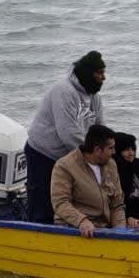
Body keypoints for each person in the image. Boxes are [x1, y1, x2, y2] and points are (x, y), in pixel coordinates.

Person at [25, 51, 106, 224]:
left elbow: (100, 130)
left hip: (70, 154)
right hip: (43, 152)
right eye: (99, 73)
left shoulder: (94, 97)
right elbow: (68, 135)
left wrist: (107, 152)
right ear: (87, 73)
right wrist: (92, 159)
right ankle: (37, 233)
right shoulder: (64, 91)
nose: (104, 77)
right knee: (43, 201)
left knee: (72, 198)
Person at [51, 124, 139, 237]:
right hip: (75, 226)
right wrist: (82, 221)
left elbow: (117, 204)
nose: (114, 152)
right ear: (98, 150)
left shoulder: (111, 164)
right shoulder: (64, 166)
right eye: (111, 148)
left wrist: (121, 230)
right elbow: (60, 203)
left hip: (104, 226)